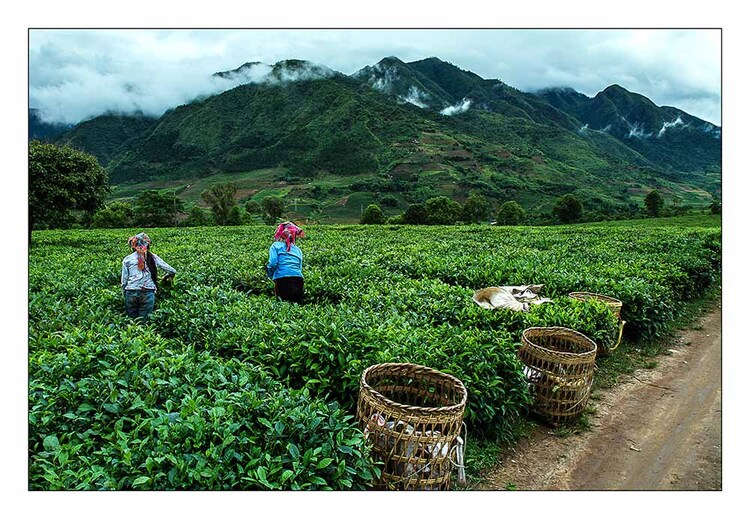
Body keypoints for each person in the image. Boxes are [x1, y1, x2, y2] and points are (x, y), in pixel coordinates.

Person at [121, 232, 176, 319]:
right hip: (147, 292)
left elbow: (124, 281)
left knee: (131, 322)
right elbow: (172, 271)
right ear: (148, 245)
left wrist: (124, 292)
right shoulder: (153, 257)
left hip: (131, 292)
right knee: (144, 323)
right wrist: (165, 278)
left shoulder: (127, 259)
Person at [266, 222, 305, 303]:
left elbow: (272, 263)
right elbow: (299, 267)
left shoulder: (275, 246)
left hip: (282, 279)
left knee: (282, 307)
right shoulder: (298, 250)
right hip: (298, 280)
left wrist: (270, 275)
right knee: (297, 307)